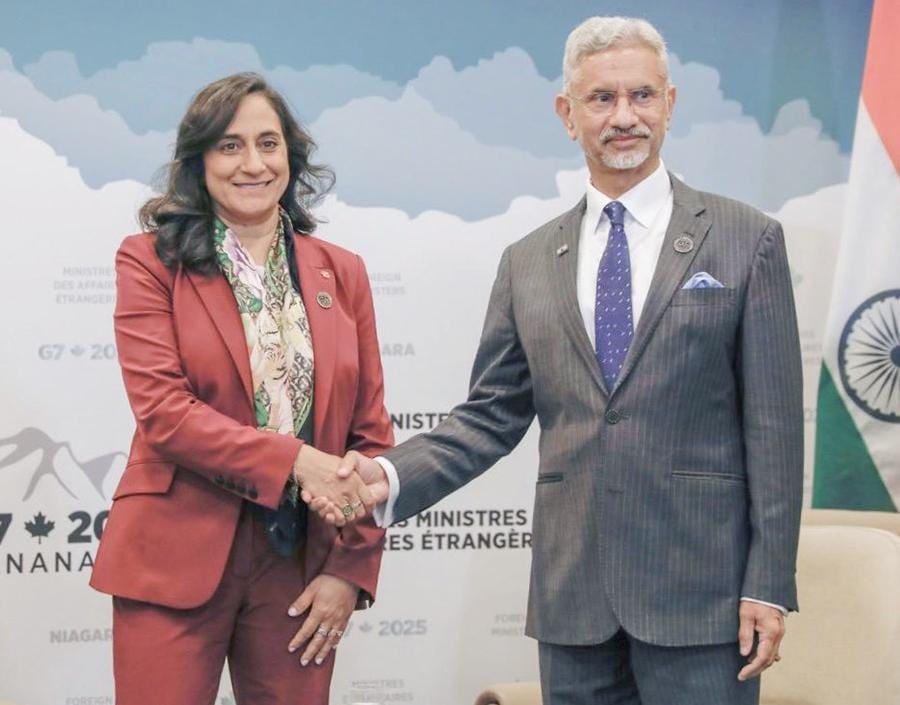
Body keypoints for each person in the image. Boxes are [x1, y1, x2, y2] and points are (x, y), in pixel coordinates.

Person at [313, 16, 803, 705]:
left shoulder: (747, 239)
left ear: (669, 103)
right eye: (602, 98)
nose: (624, 116)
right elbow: (489, 417)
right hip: (574, 603)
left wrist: (769, 583)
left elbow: (775, 430)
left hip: (705, 602)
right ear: (567, 115)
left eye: (642, 95)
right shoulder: (528, 262)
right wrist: (388, 474)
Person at [90, 73, 392, 705]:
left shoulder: (343, 271)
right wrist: (298, 461)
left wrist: (349, 568)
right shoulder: (150, 260)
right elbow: (165, 414)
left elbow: (370, 437)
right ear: (199, 161)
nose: (253, 164)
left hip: (300, 562)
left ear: (291, 156)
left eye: (268, 143)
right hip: (175, 552)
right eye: (229, 146)